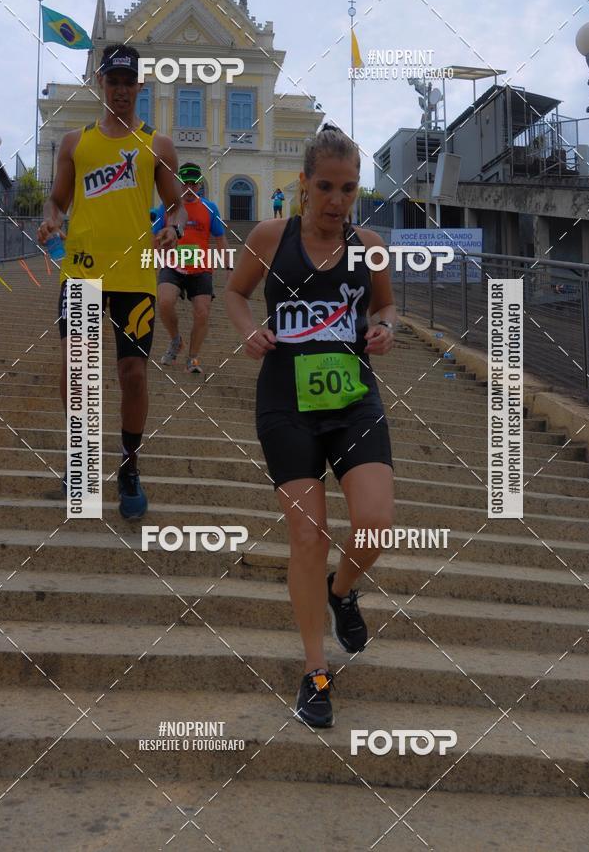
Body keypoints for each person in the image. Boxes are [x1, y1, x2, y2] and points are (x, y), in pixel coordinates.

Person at [225, 124, 396, 728]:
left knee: (374, 525)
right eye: (325, 186)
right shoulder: (270, 236)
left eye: (348, 188)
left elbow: (385, 304)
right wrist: (249, 329)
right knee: (307, 536)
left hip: (353, 401)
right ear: (303, 184)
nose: (336, 200)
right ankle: (316, 673)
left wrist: (385, 329)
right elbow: (237, 294)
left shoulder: (368, 243)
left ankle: (341, 590)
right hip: (286, 401)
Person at [37, 43, 187, 519]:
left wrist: (174, 225)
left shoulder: (157, 145)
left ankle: (129, 465)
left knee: (133, 374)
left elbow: (179, 203)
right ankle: (79, 460)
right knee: (76, 370)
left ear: (140, 87)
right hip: (81, 270)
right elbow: (57, 200)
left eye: (129, 82)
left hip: (136, 275)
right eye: (113, 81)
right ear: (101, 84)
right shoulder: (74, 143)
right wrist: (51, 221)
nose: (121, 90)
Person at [156, 162, 226, 373]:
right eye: (184, 184)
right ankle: (176, 340)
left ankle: (193, 358)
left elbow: (221, 239)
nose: (188, 188)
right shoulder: (167, 207)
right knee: (165, 302)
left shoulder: (210, 208)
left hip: (201, 267)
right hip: (172, 263)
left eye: (193, 184)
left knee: (202, 312)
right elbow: (154, 237)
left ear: (198, 186)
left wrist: (229, 267)